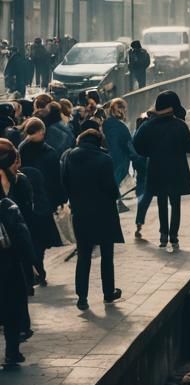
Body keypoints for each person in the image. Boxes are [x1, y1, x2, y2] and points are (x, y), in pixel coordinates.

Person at [60, 125, 123, 310]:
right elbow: (112, 190)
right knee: (106, 255)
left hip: (81, 213)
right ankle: (108, 292)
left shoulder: (69, 157)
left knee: (84, 255)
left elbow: (64, 183)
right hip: (104, 214)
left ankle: (82, 297)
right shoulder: (105, 159)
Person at [132, 90, 190, 251]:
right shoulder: (180, 125)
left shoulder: (148, 125)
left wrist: (149, 153)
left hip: (156, 168)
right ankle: (174, 235)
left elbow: (137, 145)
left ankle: (163, 235)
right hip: (177, 168)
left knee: (161, 202)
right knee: (175, 203)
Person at [15, 120, 63, 285]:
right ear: (42, 132)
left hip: (25, 202)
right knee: (40, 240)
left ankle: (35, 270)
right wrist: (59, 200)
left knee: (31, 238)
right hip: (44, 202)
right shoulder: (49, 153)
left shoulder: (20, 151)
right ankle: (38, 269)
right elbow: (57, 180)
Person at [0, 161, 34, 368]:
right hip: (8, 266)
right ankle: (12, 352)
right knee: (11, 310)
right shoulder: (8, 207)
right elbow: (23, 237)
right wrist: (31, 263)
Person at [103, 99, 140, 213]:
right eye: (125, 109)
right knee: (117, 179)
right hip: (121, 157)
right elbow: (128, 144)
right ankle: (118, 203)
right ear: (121, 110)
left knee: (114, 179)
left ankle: (117, 203)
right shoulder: (121, 126)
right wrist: (135, 157)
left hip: (109, 155)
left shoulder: (105, 124)